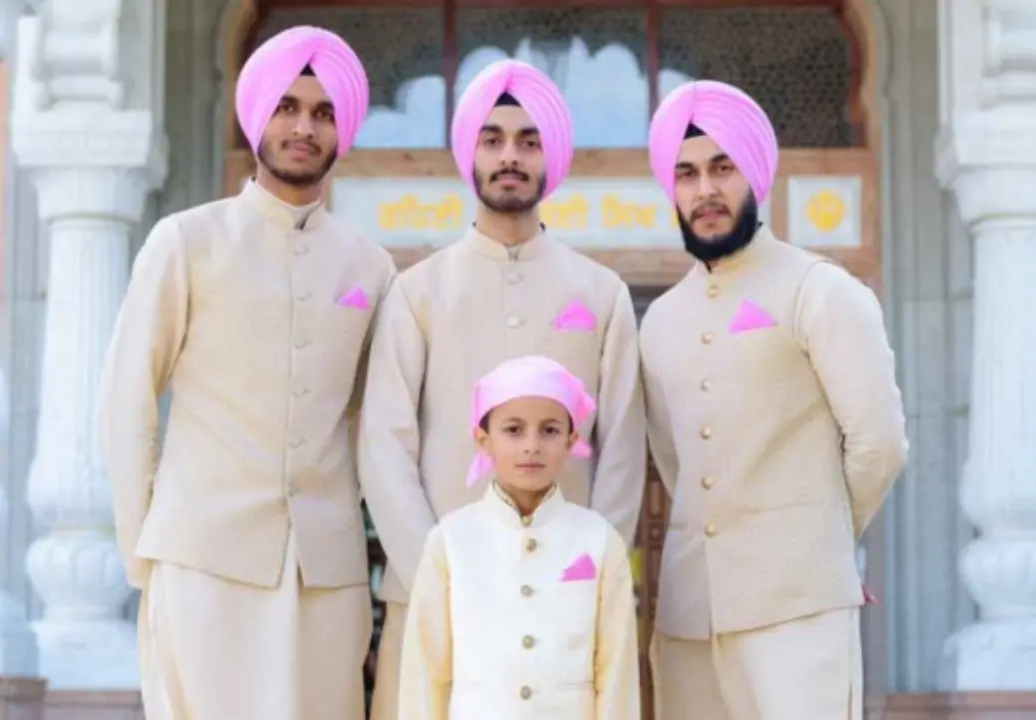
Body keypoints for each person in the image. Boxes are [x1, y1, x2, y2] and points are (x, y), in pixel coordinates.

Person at [96, 25, 394, 720]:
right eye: (288, 106)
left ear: (341, 130)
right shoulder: (187, 242)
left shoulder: (370, 267)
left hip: (328, 574)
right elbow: (125, 401)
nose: (303, 126)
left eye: (323, 112)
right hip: (203, 561)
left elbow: (381, 426)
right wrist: (148, 552)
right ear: (256, 114)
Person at [358, 59, 647, 720]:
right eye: (493, 139)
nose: (510, 155)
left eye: (528, 139)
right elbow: (384, 447)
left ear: (551, 156)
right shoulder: (419, 292)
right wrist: (441, 578)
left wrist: (586, 574)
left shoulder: (600, 294)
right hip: (435, 605)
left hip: (567, 617)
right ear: (470, 155)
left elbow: (624, 450)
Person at [640, 80, 908, 720]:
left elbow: (880, 446)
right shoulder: (660, 321)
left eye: (721, 167)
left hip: (800, 606)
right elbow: (675, 464)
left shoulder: (821, 292)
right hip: (689, 617)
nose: (704, 190)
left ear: (754, 173)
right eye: (686, 173)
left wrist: (818, 537)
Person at [397, 355, 641, 720]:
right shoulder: (450, 541)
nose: (532, 445)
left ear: (571, 439)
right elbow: (426, 672)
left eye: (549, 430)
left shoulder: (599, 539)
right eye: (513, 430)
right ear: (483, 440)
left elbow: (617, 669)